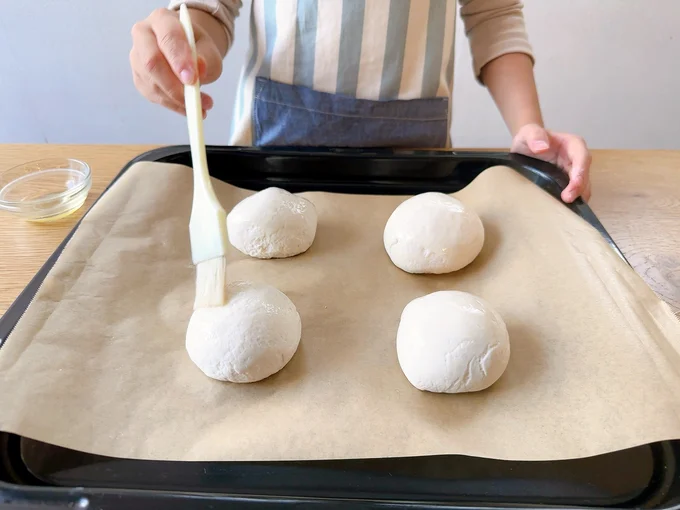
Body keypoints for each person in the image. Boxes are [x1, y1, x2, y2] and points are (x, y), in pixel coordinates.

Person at [130, 0, 591, 203]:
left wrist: (529, 130)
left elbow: (494, 14)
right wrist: (186, 43)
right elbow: (210, 10)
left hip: (416, 174)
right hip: (266, 165)